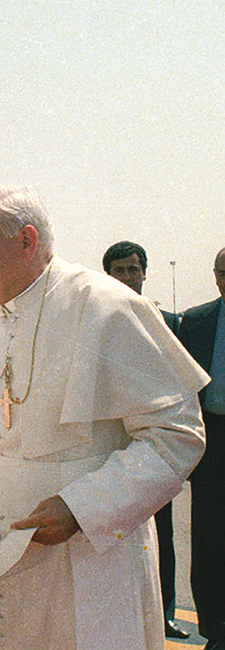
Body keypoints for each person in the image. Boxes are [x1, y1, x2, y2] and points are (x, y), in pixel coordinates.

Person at [0, 185, 208, 650]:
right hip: (1, 558)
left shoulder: (107, 308)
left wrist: (83, 507)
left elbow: (176, 435)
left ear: (26, 241)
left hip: (91, 558)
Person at [103, 239, 187, 639]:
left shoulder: (170, 322)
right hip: (114, 451)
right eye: (117, 271)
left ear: (144, 274)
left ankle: (165, 610)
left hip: (154, 450)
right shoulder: (96, 325)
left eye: (132, 270)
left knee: (163, 535)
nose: (125, 277)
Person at [176, 246, 225, 650]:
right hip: (212, 444)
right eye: (224, 272)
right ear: (214, 275)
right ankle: (214, 628)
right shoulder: (195, 321)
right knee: (209, 545)